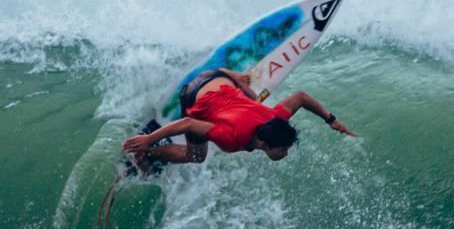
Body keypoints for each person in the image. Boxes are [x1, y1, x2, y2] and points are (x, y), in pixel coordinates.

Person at [121, 67, 355, 168]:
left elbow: (301, 97)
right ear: (264, 143)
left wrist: (331, 120)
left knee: (253, 99)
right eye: (283, 149)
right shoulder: (231, 137)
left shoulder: (275, 117)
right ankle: (147, 153)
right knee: (196, 156)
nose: (285, 153)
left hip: (216, 77)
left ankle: (233, 76)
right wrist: (149, 139)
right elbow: (188, 123)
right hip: (192, 94)